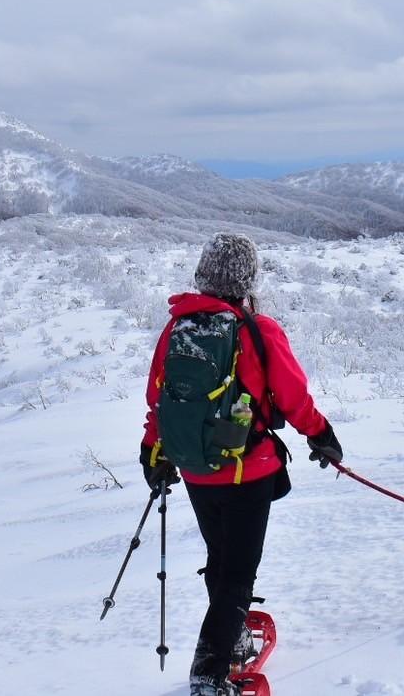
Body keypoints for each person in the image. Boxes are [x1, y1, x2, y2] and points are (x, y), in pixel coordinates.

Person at [139, 232, 343, 696]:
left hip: (196, 470)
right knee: (237, 573)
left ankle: (231, 639)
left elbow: (160, 400)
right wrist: (321, 435)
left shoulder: (178, 329)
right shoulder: (258, 330)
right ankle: (209, 674)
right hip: (248, 472)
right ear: (247, 279)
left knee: (221, 558)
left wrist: (154, 451)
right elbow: (293, 397)